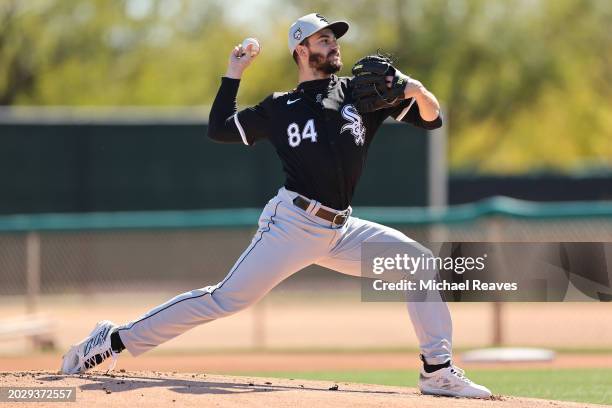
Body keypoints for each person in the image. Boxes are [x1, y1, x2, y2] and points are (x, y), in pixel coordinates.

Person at [61, 13, 491, 399]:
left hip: (341, 229)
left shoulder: (360, 95)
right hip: (292, 224)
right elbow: (220, 129)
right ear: (300, 50)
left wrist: (414, 88)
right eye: (323, 39)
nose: (333, 44)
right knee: (224, 300)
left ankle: (436, 371)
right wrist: (234, 72)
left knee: (415, 261)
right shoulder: (280, 107)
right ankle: (111, 341)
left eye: (335, 38)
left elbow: (432, 119)